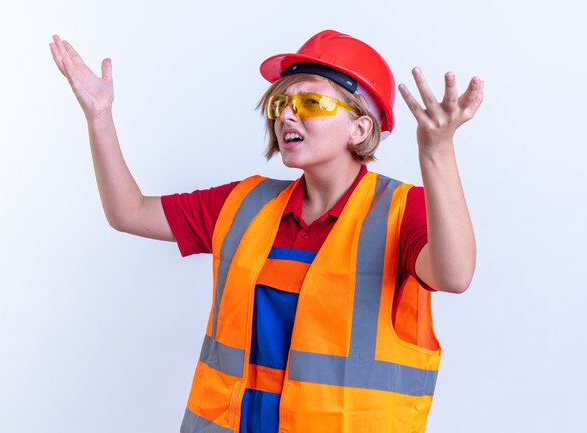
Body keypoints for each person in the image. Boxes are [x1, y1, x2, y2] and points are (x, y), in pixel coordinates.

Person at [50, 29, 483, 433]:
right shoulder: (244, 204)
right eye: (281, 103)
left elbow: (455, 275)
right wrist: (100, 117)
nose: (288, 114)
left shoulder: (401, 212)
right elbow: (130, 212)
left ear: (360, 127)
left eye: (311, 102)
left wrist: (438, 152)